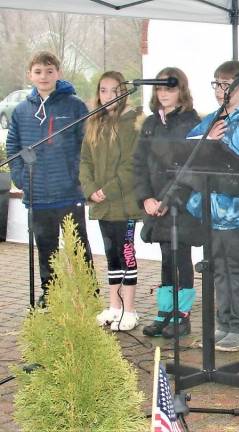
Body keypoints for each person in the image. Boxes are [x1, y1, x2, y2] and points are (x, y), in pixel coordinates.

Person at [186, 60, 239, 352]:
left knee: (236, 268)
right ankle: (224, 322)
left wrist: (213, 143)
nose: (221, 91)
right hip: (211, 209)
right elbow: (187, 144)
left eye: (228, 85)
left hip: (236, 210)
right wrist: (204, 140)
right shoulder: (211, 119)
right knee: (217, 267)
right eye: (217, 84)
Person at [6, 51, 92, 308]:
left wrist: (75, 176)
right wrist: (21, 178)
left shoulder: (74, 105)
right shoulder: (21, 110)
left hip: (68, 192)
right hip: (38, 194)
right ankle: (50, 293)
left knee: (78, 246)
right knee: (46, 248)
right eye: (38, 72)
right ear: (30, 75)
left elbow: (85, 145)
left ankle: (86, 292)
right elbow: (13, 146)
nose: (44, 76)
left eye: (49, 71)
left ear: (59, 73)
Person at [134, 67, 200, 338]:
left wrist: (168, 200)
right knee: (165, 259)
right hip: (155, 204)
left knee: (180, 257)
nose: (163, 94)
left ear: (181, 90)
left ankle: (181, 315)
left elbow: (191, 168)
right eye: (159, 89)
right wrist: (146, 198)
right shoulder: (150, 123)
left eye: (169, 89)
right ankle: (165, 311)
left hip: (180, 206)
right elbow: (138, 164)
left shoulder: (190, 122)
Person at [79, 71, 143, 331]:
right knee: (111, 255)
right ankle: (114, 307)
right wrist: (91, 189)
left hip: (124, 204)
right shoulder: (94, 122)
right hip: (102, 205)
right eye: (103, 90)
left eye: (114, 90)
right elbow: (85, 160)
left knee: (126, 253)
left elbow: (133, 164)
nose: (108, 95)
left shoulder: (134, 121)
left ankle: (130, 309)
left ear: (124, 91)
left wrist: (107, 190)